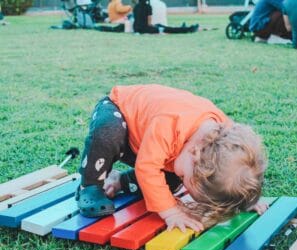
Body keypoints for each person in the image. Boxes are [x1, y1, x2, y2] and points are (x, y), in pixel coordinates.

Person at [76, 84, 268, 232]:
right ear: (195, 154)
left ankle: (121, 181)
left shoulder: (225, 134)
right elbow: (147, 168)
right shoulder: (169, 124)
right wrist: (171, 212)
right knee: (108, 133)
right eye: (186, 178)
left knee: (168, 183)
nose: (182, 178)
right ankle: (90, 186)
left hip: (149, 143)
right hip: (119, 113)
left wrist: (242, 199)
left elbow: (235, 172)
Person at [133, 0, 199, 34]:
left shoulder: (135, 7)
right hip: (146, 30)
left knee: (159, 25)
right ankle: (187, 29)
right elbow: (149, 23)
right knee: (168, 29)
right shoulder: (148, 7)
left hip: (138, 29)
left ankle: (183, 28)